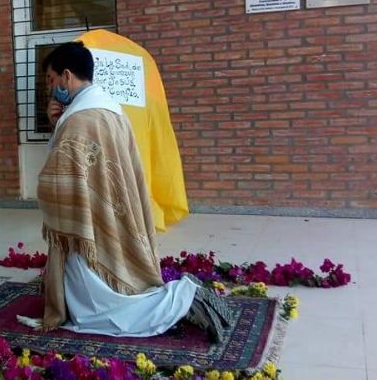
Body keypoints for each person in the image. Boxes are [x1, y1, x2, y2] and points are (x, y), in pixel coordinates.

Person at [35, 41, 231, 341]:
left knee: (96, 310)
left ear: (66, 75)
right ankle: (180, 299)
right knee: (112, 280)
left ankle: (182, 300)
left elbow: (60, 178)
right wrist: (57, 123)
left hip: (92, 225)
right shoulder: (110, 108)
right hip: (116, 209)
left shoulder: (79, 120)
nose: (51, 88)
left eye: (51, 80)